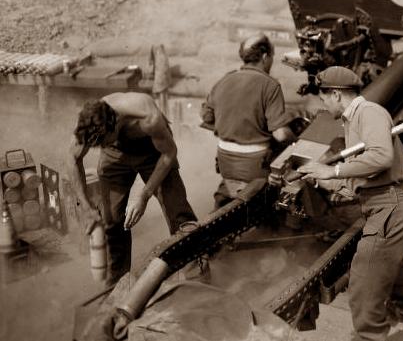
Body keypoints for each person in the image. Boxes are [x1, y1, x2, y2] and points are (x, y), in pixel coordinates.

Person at [297, 66, 403, 341]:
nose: (322, 103)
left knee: (363, 284)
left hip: (391, 207)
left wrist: (334, 170)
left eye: (323, 97)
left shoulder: (369, 112)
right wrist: (326, 181)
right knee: (389, 259)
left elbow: (381, 157)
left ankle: (369, 336)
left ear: (336, 94)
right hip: (388, 206)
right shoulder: (352, 120)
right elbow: (366, 175)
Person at [68, 91, 197, 286]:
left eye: (102, 142)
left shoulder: (147, 117)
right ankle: (117, 285)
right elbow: (72, 159)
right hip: (115, 152)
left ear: (114, 126)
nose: (98, 148)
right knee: (110, 219)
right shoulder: (90, 122)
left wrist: (143, 196)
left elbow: (169, 154)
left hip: (154, 151)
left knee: (178, 214)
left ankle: (195, 274)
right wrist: (85, 207)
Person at [201, 33, 296, 209]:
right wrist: (296, 141)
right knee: (296, 156)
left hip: (225, 163)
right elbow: (281, 135)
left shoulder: (224, 80)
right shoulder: (270, 85)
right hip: (255, 166)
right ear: (266, 57)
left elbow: (207, 118)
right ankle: (292, 217)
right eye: (272, 58)